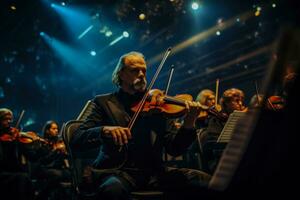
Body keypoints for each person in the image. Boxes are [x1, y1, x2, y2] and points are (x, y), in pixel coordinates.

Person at [71, 51, 211, 200]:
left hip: (154, 173)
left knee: (205, 181)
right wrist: (104, 130)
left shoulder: (158, 104)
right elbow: (77, 138)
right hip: (118, 171)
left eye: (144, 70)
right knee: (112, 190)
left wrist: (189, 122)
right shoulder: (103, 103)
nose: (141, 74)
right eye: (134, 70)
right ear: (121, 74)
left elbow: (175, 148)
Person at [200, 88, 246, 173]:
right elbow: (212, 144)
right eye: (236, 101)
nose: (240, 103)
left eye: (241, 100)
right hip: (221, 162)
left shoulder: (244, 118)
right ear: (226, 103)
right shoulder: (216, 119)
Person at [0, 108, 35, 200]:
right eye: (5, 119)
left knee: (25, 178)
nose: (9, 122)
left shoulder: (14, 136)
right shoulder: (4, 139)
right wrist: (10, 144)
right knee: (22, 178)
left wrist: (34, 145)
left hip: (13, 172)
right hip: (2, 172)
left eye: (10, 119)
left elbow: (32, 156)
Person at [32, 120, 71, 200]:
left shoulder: (58, 142)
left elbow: (65, 157)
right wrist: (55, 150)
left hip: (56, 168)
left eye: (57, 128)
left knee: (71, 174)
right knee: (57, 175)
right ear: (47, 131)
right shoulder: (42, 143)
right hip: (44, 168)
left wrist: (65, 152)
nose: (56, 130)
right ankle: (41, 195)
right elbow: (44, 160)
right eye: (53, 129)